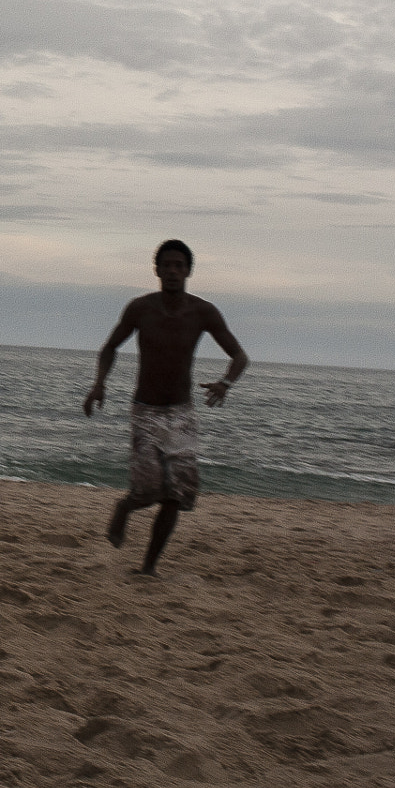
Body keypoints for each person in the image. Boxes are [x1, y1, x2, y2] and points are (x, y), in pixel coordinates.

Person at [82, 239, 249, 577]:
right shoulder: (140, 309)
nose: (173, 271)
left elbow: (239, 356)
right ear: (156, 270)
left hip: (181, 414)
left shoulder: (203, 312)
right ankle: (124, 507)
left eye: (179, 266)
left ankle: (148, 567)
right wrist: (100, 383)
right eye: (167, 265)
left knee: (177, 495)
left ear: (188, 271)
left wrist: (225, 383)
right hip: (146, 411)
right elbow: (110, 347)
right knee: (148, 490)